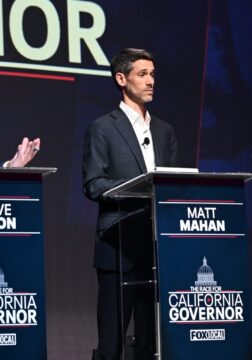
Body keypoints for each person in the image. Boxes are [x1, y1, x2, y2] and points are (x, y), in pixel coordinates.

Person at [83, 48, 177, 360]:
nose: (151, 81)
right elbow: (94, 184)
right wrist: (137, 188)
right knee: (113, 340)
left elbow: (171, 186)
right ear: (121, 79)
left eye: (153, 75)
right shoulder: (103, 128)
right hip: (118, 246)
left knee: (151, 342)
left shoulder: (164, 131)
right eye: (142, 74)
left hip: (156, 248)